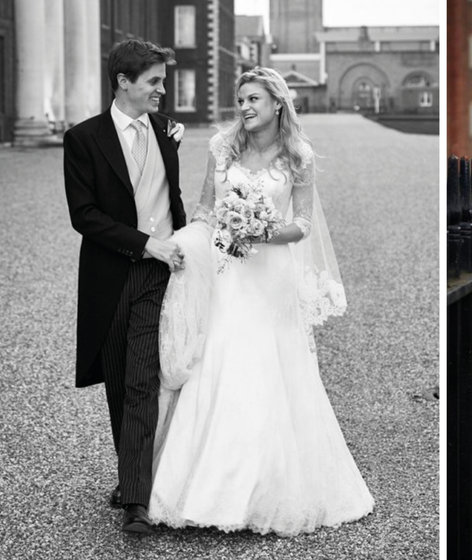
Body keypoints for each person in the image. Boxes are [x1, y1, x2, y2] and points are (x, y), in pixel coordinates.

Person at [148, 67, 374, 535]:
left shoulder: (298, 156)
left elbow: (304, 224)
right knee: (220, 361)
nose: (245, 108)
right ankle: (204, 488)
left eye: (254, 99)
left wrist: (263, 230)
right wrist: (193, 241)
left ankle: (264, 490)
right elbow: (207, 209)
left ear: (277, 104)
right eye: (241, 100)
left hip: (270, 278)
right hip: (227, 274)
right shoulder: (221, 148)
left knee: (270, 368)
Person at [63, 39, 186, 534]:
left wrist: (180, 247)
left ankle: (136, 498)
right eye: (154, 81)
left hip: (158, 275)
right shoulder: (84, 138)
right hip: (110, 275)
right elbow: (84, 216)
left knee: (141, 379)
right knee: (118, 379)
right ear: (124, 82)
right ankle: (130, 474)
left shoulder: (166, 131)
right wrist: (144, 243)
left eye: (163, 80)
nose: (163, 89)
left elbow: (170, 197)